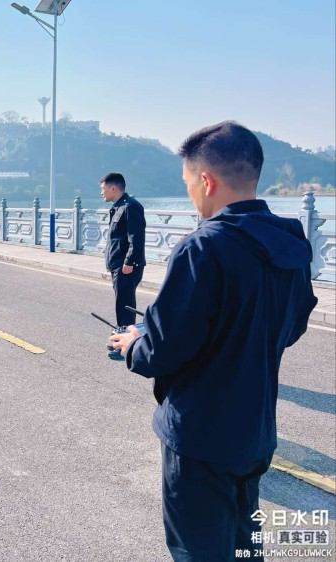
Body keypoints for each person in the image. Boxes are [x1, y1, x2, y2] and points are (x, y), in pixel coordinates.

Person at [109, 121, 317, 562]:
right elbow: (291, 327)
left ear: (206, 181)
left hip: (200, 435)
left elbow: (163, 350)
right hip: (255, 432)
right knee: (244, 546)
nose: (190, 194)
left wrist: (133, 344)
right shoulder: (290, 241)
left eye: (188, 184)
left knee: (198, 550)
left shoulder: (203, 247)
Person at [100, 172, 146, 329]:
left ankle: (127, 339)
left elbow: (136, 237)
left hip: (126, 266)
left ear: (113, 188)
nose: (101, 193)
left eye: (103, 189)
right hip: (118, 265)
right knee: (122, 304)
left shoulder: (131, 206)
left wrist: (130, 261)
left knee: (125, 307)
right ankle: (123, 336)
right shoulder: (119, 207)